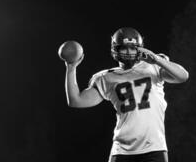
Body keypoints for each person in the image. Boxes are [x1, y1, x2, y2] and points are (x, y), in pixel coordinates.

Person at [64, 27, 189, 162]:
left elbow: (183, 76)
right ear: (115, 50)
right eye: (124, 48)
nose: (129, 52)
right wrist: (71, 68)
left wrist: (157, 60)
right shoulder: (106, 77)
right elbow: (76, 101)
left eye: (133, 48)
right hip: (122, 150)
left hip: (154, 148)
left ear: (140, 48)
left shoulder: (153, 66)